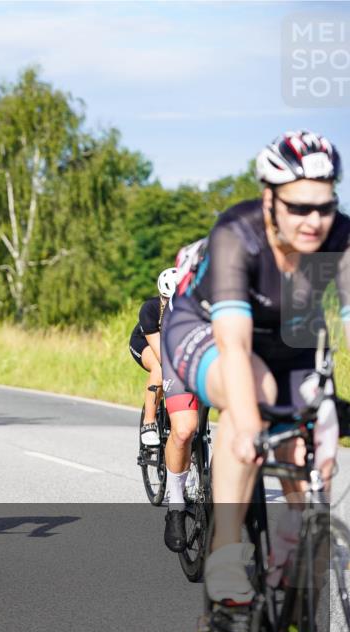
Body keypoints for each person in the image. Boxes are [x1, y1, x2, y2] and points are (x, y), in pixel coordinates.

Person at [162, 129, 347, 604]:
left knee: (310, 452)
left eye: (324, 206)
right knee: (252, 401)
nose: (314, 221)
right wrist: (246, 425)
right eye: (299, 207)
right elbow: (235, 345)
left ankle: (286, 578)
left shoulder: (341, 238)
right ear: (270, 200)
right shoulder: (237, 234)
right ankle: (224, 551)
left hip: (289, 337)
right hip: (203, 326)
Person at [128, 267, 199, 551]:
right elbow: (164, 354)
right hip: (147, 344)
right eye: (167, 300)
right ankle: (148, 421)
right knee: (159, 368)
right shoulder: (150, 310)